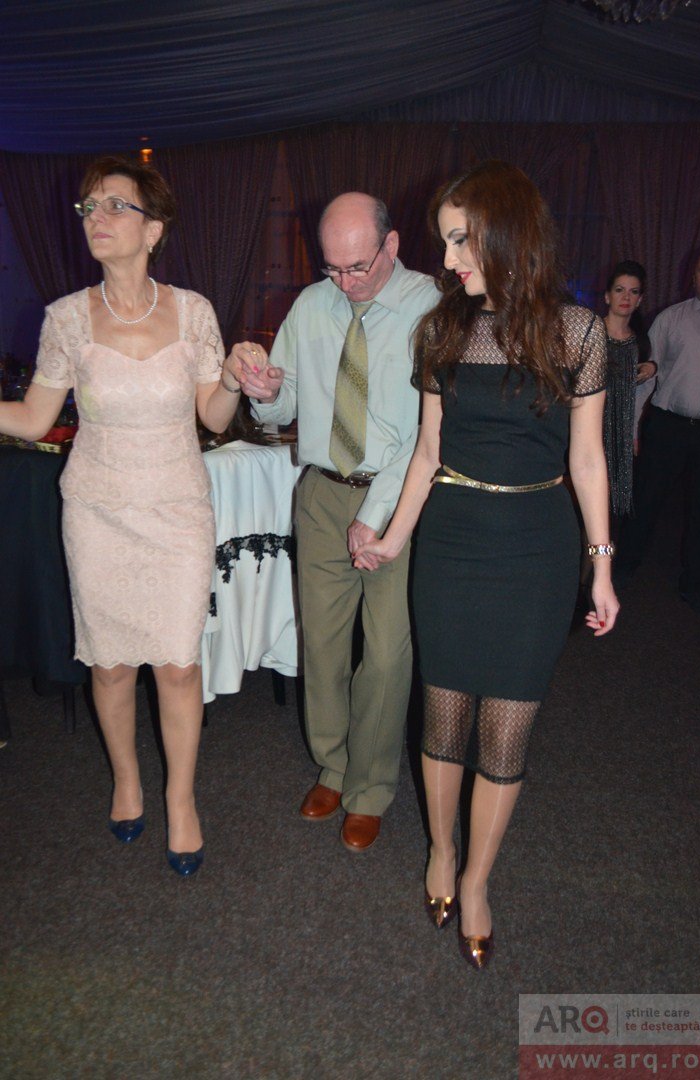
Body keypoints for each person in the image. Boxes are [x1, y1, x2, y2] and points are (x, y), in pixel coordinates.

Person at [353, 162, 619, 968]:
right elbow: (426, 452)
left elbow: (588, 461)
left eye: (460, 241)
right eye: (444, 242)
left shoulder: (576, 332)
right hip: (452, 545)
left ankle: (476, 880)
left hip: (536, 549)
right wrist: (392, 537)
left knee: (505, 732)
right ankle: (440, 852)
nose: (448, 260)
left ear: (507, 235)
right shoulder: (441, 329)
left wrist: (601, 564)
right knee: (443, 720)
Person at [0, 156, 244, 875]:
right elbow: (35, 418)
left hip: (177, 511)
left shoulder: (194, 311)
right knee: (108, 666)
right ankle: (127, 779)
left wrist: (233, 378)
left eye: (114, 206)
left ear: (153, 229)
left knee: (178, 665)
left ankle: (181, 799)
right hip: (98, 511)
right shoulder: (65, 318)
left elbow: (215, 417)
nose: (96, 219)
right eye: (88, 208)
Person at [231, 193, 439, 852]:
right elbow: (283, 402)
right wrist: (265, 395)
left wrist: (375, 516)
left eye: (357, 267)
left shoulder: (432, 309)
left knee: (386, 653)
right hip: (322, 494)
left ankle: (371, 787)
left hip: (400, 497)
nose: (344, 283)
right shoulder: (311, 305)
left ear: (391, 245)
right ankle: (334, 765)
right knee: (320, 644)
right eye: (331, 269)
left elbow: (426, 434)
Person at [615, 245, 700, 614]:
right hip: (667, 425)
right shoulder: (671, 319)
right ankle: (624, 567)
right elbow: (647, 375)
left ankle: (695, 583)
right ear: (693, 276)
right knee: (646, 501)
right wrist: (633, 428)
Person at [602, 260, 656, 517]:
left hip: (623, 434)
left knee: (615, 508)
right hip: (589, 429)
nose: (626, 297)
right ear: (607, 296)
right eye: (619, 290)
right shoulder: (591, 333)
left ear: (640, 299)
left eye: (633, 292)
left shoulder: (641, 343)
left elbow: (641, 396)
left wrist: (652, 367)